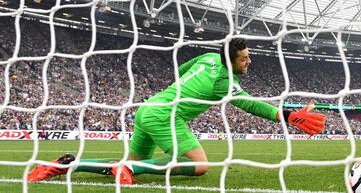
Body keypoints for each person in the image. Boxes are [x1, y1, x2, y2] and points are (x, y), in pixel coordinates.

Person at [27, 38, 326, 184]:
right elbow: (248, 103)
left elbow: (181, 69)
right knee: (200, 165)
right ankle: (129, 169)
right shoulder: (224, 79)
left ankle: (71, 162)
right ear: (231, 61)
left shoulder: (208, 57)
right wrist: (287, 115)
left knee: (129, 162)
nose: (249, 62)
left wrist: (184, 90)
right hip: (164, 116)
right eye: (245, 59)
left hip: (148, 109)